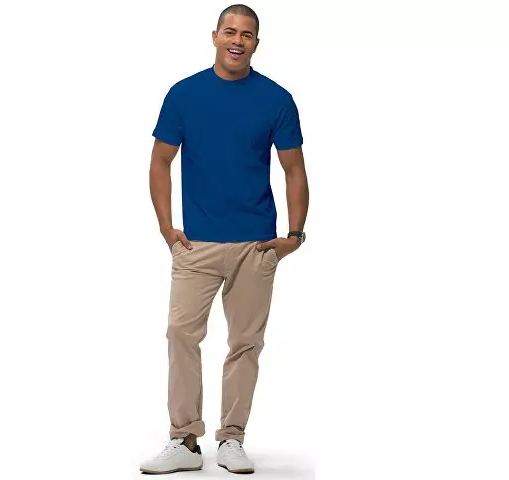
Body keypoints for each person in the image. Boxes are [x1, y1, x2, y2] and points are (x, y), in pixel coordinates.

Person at [140, 4, 309, 475]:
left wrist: (294, 235)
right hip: (196, 244)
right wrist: (166, 227)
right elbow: (160, 161)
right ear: (215, 36)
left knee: (246, 343)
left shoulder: (276, 99)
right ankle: (184, 440)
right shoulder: (184, 94)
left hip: (255, 245)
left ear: (256, 43)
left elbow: (294, 170)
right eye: (230, 31)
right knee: (181, 334)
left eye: (247, 34)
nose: (237, 40)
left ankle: (232, 438)